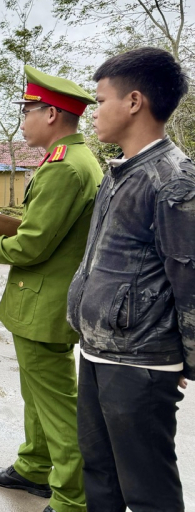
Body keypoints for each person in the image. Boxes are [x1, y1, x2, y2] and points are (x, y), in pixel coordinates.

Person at [0, 67, 102, 512]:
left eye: (28, 110)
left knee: (58, 407)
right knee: (37, 394)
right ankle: (36, 467)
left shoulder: (64, 167)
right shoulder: (72, 160)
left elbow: (34, 244)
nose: (23, 119)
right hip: (42, 300)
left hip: (45, 303)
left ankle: (70, 499)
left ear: (53, 114)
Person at [67, 47, 193, 512]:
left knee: (147, 489)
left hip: (141, 362)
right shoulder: (121, 171)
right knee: (99, 472)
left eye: (100, 100)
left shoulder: (173, 179)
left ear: (134, 101)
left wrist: (184, 361)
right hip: (100, 350)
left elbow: (189, 278)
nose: (94, 112)